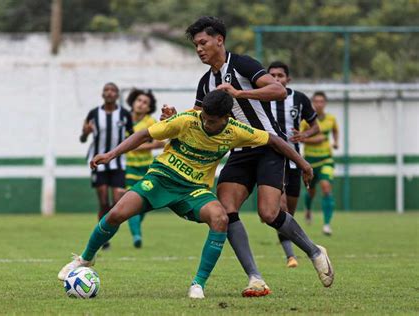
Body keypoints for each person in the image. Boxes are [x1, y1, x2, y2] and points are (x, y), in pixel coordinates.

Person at [57, 90, 328, 299]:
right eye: (205, 118)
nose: (206, 124)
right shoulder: (187, 120)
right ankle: (85, 258)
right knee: (116, 212)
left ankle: (198, 284)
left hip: (194, 189)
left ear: (226, 118)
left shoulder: (237, 131)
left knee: (220, 218)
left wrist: (303, 164)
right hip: (161, 178)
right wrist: (111, 154)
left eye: (212, 121)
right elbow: (143, 135)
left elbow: (274, 140)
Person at [162, 16, 334, 295]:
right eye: (195, 45)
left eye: (203, 42)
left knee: (269, 213)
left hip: (269, 148)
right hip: (238, 152)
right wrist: (174, 118)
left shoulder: (242, 64)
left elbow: (278, 90)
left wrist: (239, 93)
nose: (199, 49)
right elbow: (197, 119)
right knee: (226, 212)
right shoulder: (205, 82)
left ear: (219, 39)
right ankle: (255, 277)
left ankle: (314, 251)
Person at [268, 61, 320, 268]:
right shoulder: (261, 97)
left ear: (288, 79)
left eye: (280, 75)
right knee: (280, 208)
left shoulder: (299, 99)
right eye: (272, 75)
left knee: (289, 213)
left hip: (294, 162)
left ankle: (298, 248)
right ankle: (291, 256)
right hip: (272, 161)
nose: (276, 79)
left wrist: (305, 134)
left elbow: (316, 126)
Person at [80, 82, 133, 249]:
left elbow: (132, 136)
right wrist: (86, 132)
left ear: (117, 95)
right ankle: (103, 239)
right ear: (102, 94)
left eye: (112, 90)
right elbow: (82, 138)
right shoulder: (93, 114)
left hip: (118, 162)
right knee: (103, 202)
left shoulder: (125, 114)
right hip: (99, 163)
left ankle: (108, 227)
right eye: (106, 90)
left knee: (117, 200)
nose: (109, 93)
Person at [125, 89, 164, 248]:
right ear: (133, 102)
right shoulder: (123, 119)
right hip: (128, 168)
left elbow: (161, 142)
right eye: (139, 100)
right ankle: (136, 235)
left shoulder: (150, 122)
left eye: (145, 103)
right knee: (129, 201)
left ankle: (136, 229)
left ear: (149, 108)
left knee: (141, 203)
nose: (141, 104)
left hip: (146, 168)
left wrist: (141, 146)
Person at [301, 91, 339, 235]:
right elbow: (298, 137)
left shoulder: (331, 119)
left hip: (326, 159)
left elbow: (335, 131)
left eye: (321, 101)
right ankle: (308, 209)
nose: (319, 104)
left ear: (325, 103)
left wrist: (336, 141)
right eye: (316, 101)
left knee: (326, 187)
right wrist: (314, 140)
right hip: (309, 161)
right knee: (311, 192)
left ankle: (327, 224)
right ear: (312, 103)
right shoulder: (305, 121)